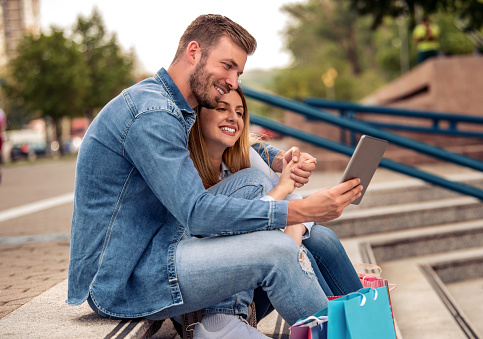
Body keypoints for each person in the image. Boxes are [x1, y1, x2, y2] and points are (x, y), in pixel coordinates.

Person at [67, 14, 363, 339]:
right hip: (128, 275)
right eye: (227, 66)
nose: (233, 81)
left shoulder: (179, 104)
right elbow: (197, 213)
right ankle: (229, 325)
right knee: (277, 252)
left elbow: (230, 136)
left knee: (256, 186)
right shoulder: (151, 114)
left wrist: (278, 159)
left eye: (238, 72)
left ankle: (361, 326)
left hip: (165, 241)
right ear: (193, 52)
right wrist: (302, 210)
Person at [186, 87, 362, 335]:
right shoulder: (184, 167)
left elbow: (294, 199)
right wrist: (279, 192)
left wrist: (294, 228)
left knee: (322, 238)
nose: (233, 118)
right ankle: (338, 331)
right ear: (197, 114)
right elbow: (215, 228)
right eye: (221, 108)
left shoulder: (243, 155)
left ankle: (364, 324)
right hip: (210, 289)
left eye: (239, 112)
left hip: (255, 280)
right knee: (293, 249)